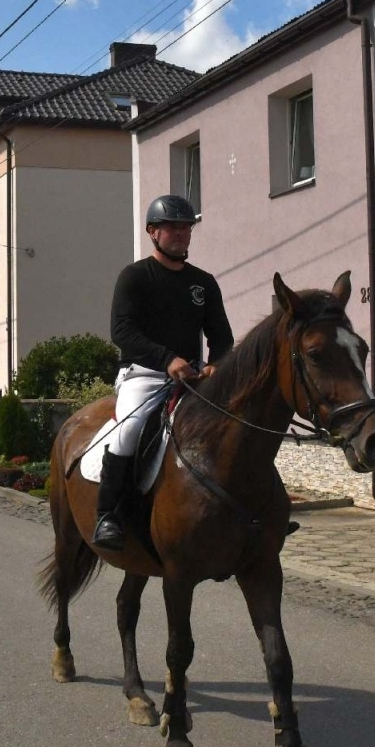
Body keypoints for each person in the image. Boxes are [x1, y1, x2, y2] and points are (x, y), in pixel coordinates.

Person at [95, 193, 234, 551]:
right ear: (152, 232)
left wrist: (217, 362)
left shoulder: (203, 283)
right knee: (128, 430)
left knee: (237, 425)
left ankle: (256, 512)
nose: (181, 233)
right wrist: (167, 359)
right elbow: (122, 331)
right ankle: (108, 515)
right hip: (143, 375)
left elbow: (222, 336)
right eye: (172, 227)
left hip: (194, 377)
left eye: (186, 227)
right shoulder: (135, 277)